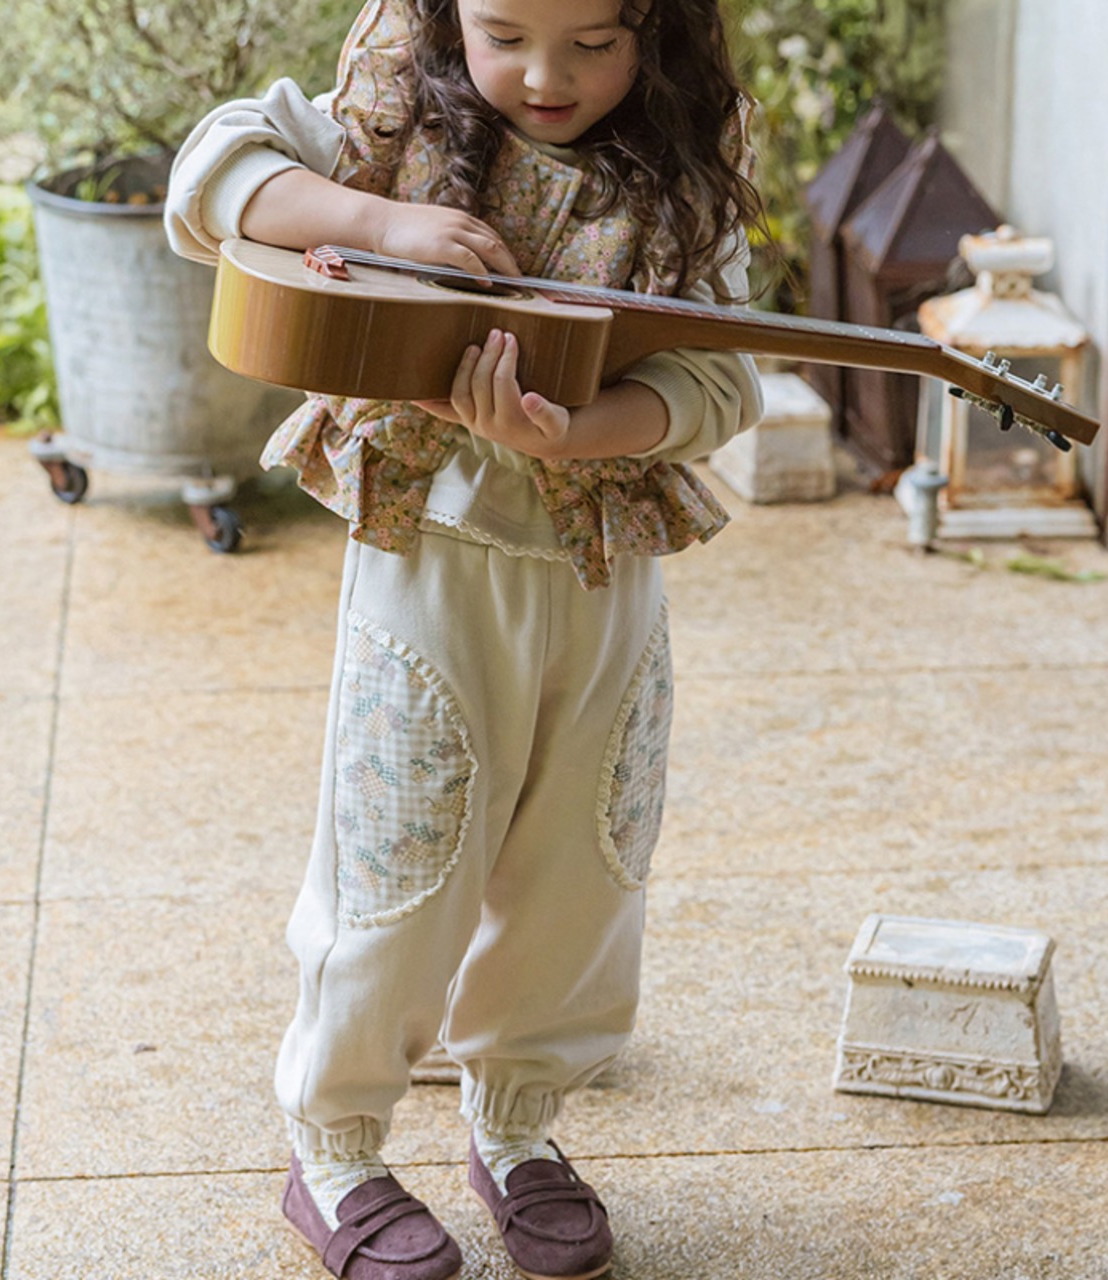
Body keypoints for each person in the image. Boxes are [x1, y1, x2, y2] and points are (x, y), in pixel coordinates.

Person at [165, 1, 764, 1275]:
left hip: (603, 561)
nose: (546, 75)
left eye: (594, 42)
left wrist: (580, 429)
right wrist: (376, 222)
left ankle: (518, 1127)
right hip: (427, 553)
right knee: (402, 856)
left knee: (586, 858)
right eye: (505, 32)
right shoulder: (393, 112)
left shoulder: (684, 167)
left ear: (651, 28)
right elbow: (215, 175)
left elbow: (719, 379)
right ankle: (333, 1144)